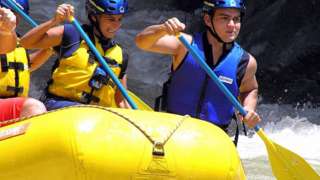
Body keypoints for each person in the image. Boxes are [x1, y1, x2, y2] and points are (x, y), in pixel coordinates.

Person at [135, 0, 261, 131]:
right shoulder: (185, 45)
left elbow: (250, 89)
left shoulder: (246, 62)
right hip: (174, 130)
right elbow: (142, 42)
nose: (231, 25)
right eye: (224, 18)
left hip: (214, 136)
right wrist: (162, 29)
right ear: (208, 20)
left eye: (236, 19)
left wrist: (248, 108)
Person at [20, 0, 130, 110]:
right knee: (88, 114)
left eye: (119, 19)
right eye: (111, 19)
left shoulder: (121, 55)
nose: (116, 25)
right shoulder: (73, 34)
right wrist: (54, 21)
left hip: (96, 116)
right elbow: (26, 43)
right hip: (58, 106)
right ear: (94, 17)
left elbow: (121, 101)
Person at [0, 0, 48, 125]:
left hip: (11, 102)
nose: (11, 16)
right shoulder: (6, 38)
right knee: (33, 108)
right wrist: (5, 31)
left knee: (33, 107)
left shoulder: (17, 41)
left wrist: (48, 50)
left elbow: (27, 66)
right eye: (5, 10)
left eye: (16, 13)